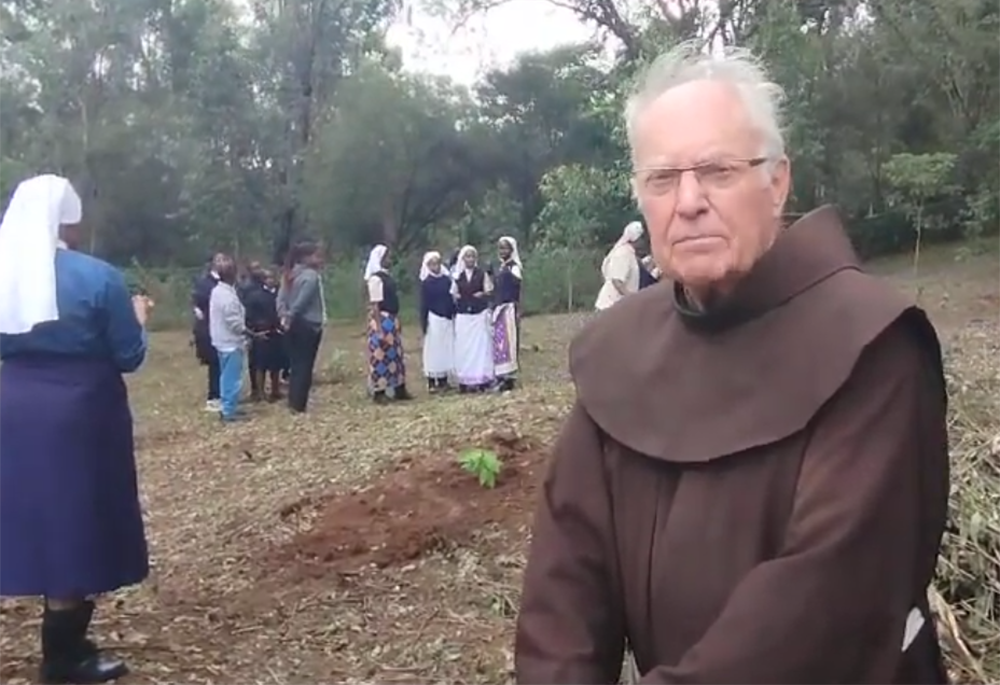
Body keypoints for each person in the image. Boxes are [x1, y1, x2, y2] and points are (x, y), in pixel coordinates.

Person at [515, 43, 950, 685]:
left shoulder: (873, 346)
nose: (687, 201)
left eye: (717, 170)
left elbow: (823, 610)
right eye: (662, 179)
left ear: (777, 183)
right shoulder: (619, 352)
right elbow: (563, 591)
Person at [0, 174, 153, 683]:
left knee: (32, 521)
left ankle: (69, 647)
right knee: (76, 525)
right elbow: (129, 355)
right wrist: (139, 317)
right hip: (80, 414)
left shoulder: (5, 277)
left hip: (15, 408)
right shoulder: (96, 277)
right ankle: (63, 660)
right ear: (68, 221)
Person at [279, 240, 326, 413]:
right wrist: (291, 315)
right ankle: (299, 404)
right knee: (305, 365)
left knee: (296, 364)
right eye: (316, 256)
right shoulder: (311, 276)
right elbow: (302, 302)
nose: (320, 259)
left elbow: (281, 299)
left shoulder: (289, 274)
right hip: (308, 325)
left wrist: (283, 316)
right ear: (306, 258)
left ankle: (294, 401)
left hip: (292, 325)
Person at [364, 244, 413, 403]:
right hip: (382, 319)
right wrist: (379, 329)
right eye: (386, 257)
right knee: (381, 355)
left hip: (391, 318)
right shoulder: (375, 279)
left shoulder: (386, 276)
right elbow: (375, 304)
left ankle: (399, 387)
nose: (389, 259)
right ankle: (379, 391)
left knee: (395, 355)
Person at [209, 255, 249, 423]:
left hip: (221, 340)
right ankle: (228, 412)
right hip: (230, 342)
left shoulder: (219, 291)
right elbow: (234, 322)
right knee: (232, 378)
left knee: (226, 376)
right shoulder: (227, 296)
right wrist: (249, 332)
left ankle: (228, 407)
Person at [452, 245, 494, 393]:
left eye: (472, 256)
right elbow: (453, 294)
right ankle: (465, 380)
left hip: (479, 314)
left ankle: (482, 379)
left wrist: (482, 295)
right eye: (467, 257)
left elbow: (489, 291)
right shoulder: (458, 276)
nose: (470, 259)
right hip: (464, 316)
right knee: (464, 348)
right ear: (463, 259)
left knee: (480, 348)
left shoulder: (482, 274)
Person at [243, 266, 284, 402]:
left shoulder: (280, 294)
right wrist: (255, 330)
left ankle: (275, 390)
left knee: (276, 364)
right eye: (267, 278)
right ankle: (260, 392)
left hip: (277, 333)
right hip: (261, 333)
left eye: (273, 277)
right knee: (260, 364)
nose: (270, 280)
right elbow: (249, 315)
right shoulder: (255, 296)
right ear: (263, 280)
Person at [418, 250, 456, 393]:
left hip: (446, 319)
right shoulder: (426, 283)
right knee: (433, 350)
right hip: (433, 319)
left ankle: (443, 380)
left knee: (446, 349)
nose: (435, 266)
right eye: (432, 264)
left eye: (437, 263)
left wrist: (453, 313)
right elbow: (424, 304)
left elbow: (451, 299)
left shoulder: (446, 280)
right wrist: (424, 323)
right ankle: (432, 381)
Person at [191, 253, 223, 411]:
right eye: (219, 260)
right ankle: (214, 396)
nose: (222, 263)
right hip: (210, 327)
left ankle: (224, 393)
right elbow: (199, 304)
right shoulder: (205, 283)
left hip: (225, 327)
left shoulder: (228, 280)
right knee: (215, 363)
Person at [492, 235, 523, 392]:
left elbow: (516, 290)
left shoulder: (514, 268)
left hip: (509, 308)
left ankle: (509, 378)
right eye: (500, 248)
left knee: (510, 341)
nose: (502, 251)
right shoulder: (500, 267)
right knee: (500, 342)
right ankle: (501, 375)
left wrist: (515, 308)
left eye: (505, 248)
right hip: (499, 308)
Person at [594, 221, 644, 310]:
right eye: (642, 237)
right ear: (637, 239)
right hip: (611, 307)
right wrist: (634, 299)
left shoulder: (629, 254)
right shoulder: (623, 254)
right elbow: (617, 281)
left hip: (618, 307)